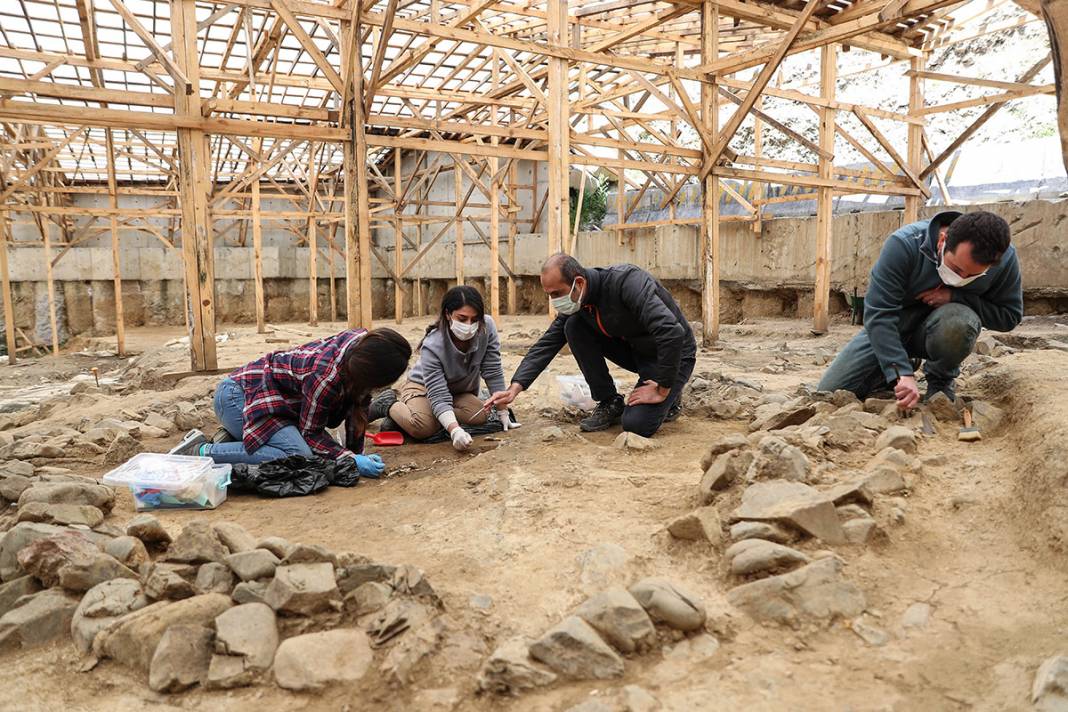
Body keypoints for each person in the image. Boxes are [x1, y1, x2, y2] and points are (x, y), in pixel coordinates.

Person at [818, 210, 1022, 409]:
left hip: (946, 328)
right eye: (956, 269)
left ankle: (940, 380)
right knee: (830, 391)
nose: (961, 278)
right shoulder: (904, 244)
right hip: (896, 327)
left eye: (972, 276)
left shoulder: (1004, 258)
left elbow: (1009, 316)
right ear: (943, 240)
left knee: (959, 321)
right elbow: (879, 313)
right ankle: (902, 361)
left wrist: (956, 297)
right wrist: (900, 372)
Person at [484, 253, 696, 437]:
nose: (554, 301)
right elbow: (547, 343)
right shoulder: (579, 304)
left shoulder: (627, 282)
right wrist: (515, 388)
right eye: (549, 295)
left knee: (636, 425)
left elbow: (672, 332)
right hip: (638, 351)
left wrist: (663, 388)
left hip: (673, 353)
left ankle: (672, 396)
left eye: (557, 294)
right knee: (574, 326)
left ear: (579, 283)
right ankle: (609, 401)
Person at [171, 328, 412, 478]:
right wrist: (349, 459)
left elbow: (358, 405)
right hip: (239, 397)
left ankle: (236, 438)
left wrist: (354, 455)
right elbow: (311, 434)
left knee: (317, 455)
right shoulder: (325, 377)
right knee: (299, 455)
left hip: (278, 406)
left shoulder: (363, 345)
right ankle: (201, 451)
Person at [374, 285, 517, 451]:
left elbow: (492, 369)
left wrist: (502, 411)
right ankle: (388, 405)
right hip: (424, 388)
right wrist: (455, 430)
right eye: (462, 319)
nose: (469, 325)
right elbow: (438, 394)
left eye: (474, 319)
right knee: (423, 428)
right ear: (448, 314)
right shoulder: (433, 344)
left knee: (480, 414)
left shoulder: (487, 327)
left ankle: (426, 415)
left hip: (458, 391)